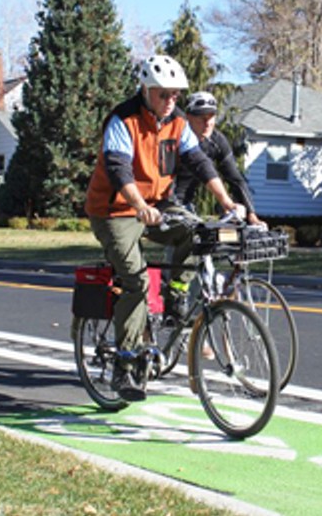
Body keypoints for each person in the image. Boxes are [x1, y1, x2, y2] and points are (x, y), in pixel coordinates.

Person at [84, 54, 244, 402]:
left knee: (198, 232)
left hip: (155, 205)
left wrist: (226, 201)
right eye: (164, 94)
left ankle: (175, 300)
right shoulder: (122, 120)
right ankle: (125, 365)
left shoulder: (178, 122)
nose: (171, 101)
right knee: (136, 281)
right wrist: (139, 206)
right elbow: (118, 168)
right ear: (146, 89)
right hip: (115, 210)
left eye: (175, 95)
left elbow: (200, 162)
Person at [173, 91, 264, 226]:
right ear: (188, 117)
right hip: (164, 203)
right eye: (201, 117)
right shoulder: (174, 137)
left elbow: (236, 180)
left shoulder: (217, 141)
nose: (207, 123)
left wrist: (252, 216)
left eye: (211, 117)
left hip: (186, 205)